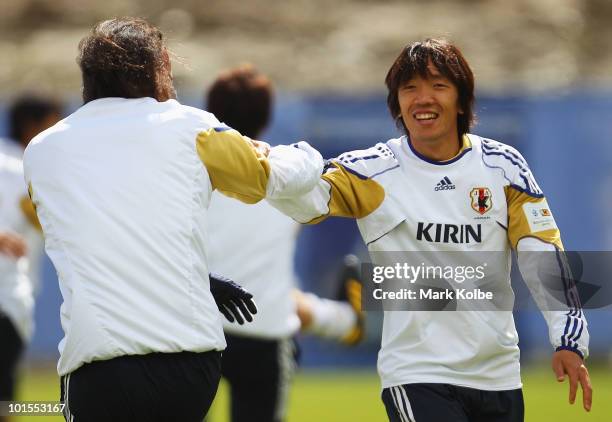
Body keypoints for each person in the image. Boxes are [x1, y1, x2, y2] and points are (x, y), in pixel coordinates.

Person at [268, 38, 591, 421]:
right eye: (410, 89)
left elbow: (542, 251)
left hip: (498, 376)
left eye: (438, 86)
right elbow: (305, 201)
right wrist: (274, 167)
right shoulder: (373, 170)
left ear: (461, 98)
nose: (423, 99)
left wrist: (568, 337)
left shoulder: (504, 166)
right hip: (417, 374)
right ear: (397, 103)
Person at [22, 18, 323, 422]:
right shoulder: (194, 128)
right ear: (160, 64)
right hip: (189, 368)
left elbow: (97, 237)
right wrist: (307, 154)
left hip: (98, 370)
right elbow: (275, 179)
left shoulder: (42, 151)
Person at [205, 64, 363, 422]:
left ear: (211, 111)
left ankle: (341, 319)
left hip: (199, 322)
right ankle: (341, 319)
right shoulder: (288, 168)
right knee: (276, 295)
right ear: (267, 116)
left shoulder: (188, 168)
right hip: (264, 331)